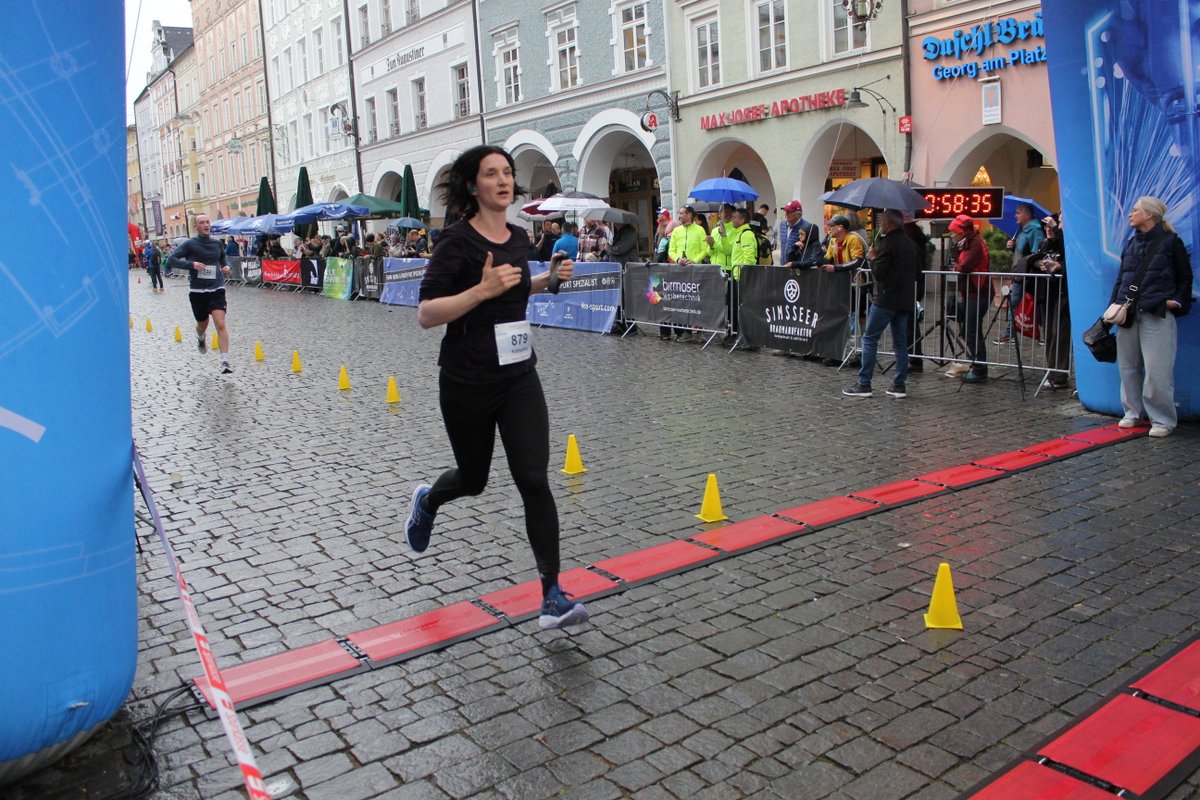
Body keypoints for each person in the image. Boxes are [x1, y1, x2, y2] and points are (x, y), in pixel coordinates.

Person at [405, 144, 588, 630]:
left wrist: (546, 278)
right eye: (492, 174)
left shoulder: (518, 237)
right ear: (473, 185)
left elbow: (514, 288)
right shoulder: (455, 241)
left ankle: (552, 595)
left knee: (534, 479)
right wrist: (480, 290)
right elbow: (427, 314)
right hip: (466, 379)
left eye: (507, 172)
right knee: (474, 479)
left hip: (518, 375)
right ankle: (427, 501)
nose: (504, 180)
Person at [1110, 196, 1193, 437]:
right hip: (1128, 313)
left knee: (1158, 370)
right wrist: (1112, 307)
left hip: (1156, 313)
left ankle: (1162, 419)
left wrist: (1175, 302)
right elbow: (1121, 278)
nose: (1130, 214)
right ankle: (1132, 412)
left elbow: (1185, 277)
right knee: (1128, 367)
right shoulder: (1131, 243)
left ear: (1149, 214)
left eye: (1135, 210)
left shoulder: (1171, 242)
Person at [842, 210, 919, 398]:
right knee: (900, 343)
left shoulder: (888, 243)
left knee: (870, 338)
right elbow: (916, 272)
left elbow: (879, 272)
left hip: (886, 299)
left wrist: (873, 258)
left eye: (882, 222)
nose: (880, 225)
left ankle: (864, 383)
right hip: (904, 299)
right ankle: (899, 384)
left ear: (889, 224)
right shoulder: (910, 243)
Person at [167, 213, 234, 375]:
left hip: (217, 288)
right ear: (196, 226)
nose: (205, 225)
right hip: (198, 291)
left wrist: (226, 267)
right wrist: (192, 265)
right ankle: (201, 336)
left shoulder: (217, 243)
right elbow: (171, 260)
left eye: (207, 222)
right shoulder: (190, 244)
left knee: (220, 323)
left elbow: (223, 258)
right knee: (202, 325)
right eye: (202, 222)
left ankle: (225, 361)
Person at [947, 214, 991, 384]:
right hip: (970, 292)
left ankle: (980, 370)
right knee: (969, 330)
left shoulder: (975, 244)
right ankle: (977, 365)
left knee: (972, 330)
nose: (952, 235)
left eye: (954, 232)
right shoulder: (964, 244)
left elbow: (963, 266)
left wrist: (956, 267)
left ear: (962, 232)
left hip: (979, 292)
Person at [998, 203, 1045, 344]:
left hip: (1027, 274)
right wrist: (1012, 247)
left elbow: (1036, 253)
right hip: (1019, 273)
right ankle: (1010, 333)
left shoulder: (1035, 230)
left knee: (1032, 304)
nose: (1015, 215)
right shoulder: (1022, 230)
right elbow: (1022, 252)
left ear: (1027, 214)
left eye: (1018, 213)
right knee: (1015, 303)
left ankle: (1012, 334)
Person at [1033, 214, 1070, 389]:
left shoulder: (1066, 242)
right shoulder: (1044, 244)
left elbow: (1069, 256)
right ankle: (1051, 370)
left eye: (1053, 225)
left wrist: (1057, 229)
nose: (1049, 229)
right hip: (1046, 293)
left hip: (1062, 292)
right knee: (1048, 333)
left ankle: (1059, 374)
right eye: (1046, 226)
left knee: (1059, 333)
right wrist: (1039, 263)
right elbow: (1036, 257)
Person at [778, 200, 820, 267]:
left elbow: (811, 251)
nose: (786, 214)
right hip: (783, 266)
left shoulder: (807, 227)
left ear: (798, 214)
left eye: (789, 212)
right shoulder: (782, 225)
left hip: (798, 267)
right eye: (785, 211)